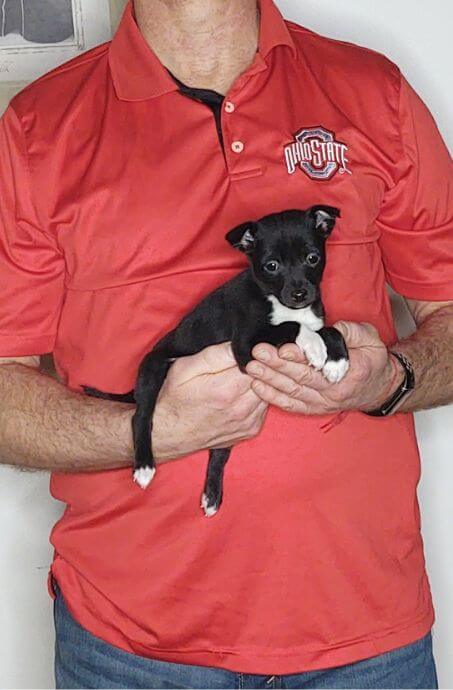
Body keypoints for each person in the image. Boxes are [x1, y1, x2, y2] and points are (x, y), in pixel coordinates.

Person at [0, 0, 451, 687]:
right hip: (128, 648)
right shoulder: (37, 129)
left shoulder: (372, 91)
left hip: (364, 639)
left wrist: (389, 378)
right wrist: (151, 430)